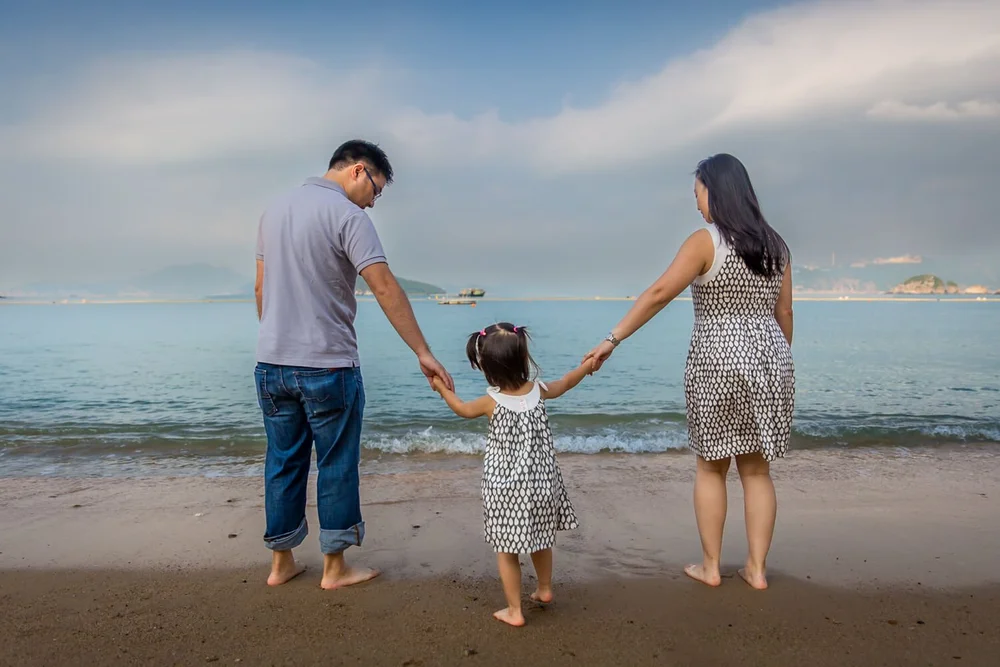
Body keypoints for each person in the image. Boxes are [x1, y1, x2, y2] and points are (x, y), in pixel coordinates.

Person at [584, 153, 794, 590]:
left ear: (714, 192)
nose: (696, 204)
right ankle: (756, 570)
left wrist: (612, 339)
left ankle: (711, 566)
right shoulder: (776, 245)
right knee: (756, 470)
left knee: (711, 467)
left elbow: (660, 293)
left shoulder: (707, 241)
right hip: (771, 358)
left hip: (716, 357)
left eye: (697, 193)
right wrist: (774, 361)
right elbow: (784, 311)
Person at [254, 139, 454, 590]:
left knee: (283, 461)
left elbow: (260, 288)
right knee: (337, 462)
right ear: (358, 170)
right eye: (376, 190)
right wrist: (423, 351)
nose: (374, 201)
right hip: (328, 364)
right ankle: (335, 568)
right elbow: (384, 288)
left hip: (270, 364)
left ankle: (281, 563)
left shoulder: (273, 210)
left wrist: (276, 339)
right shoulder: (348, 216)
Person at [430, 323, 591, 626]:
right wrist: (586, 366)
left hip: (506, 491)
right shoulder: (539, 391)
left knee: (507, 550)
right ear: (523, 357)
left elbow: (461, 409)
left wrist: (440, 387)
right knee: (542, 539)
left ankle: (514, 611)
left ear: (487, 367)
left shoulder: (491, 402)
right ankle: (543, 589)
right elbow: (568, 382)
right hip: (544, 485)